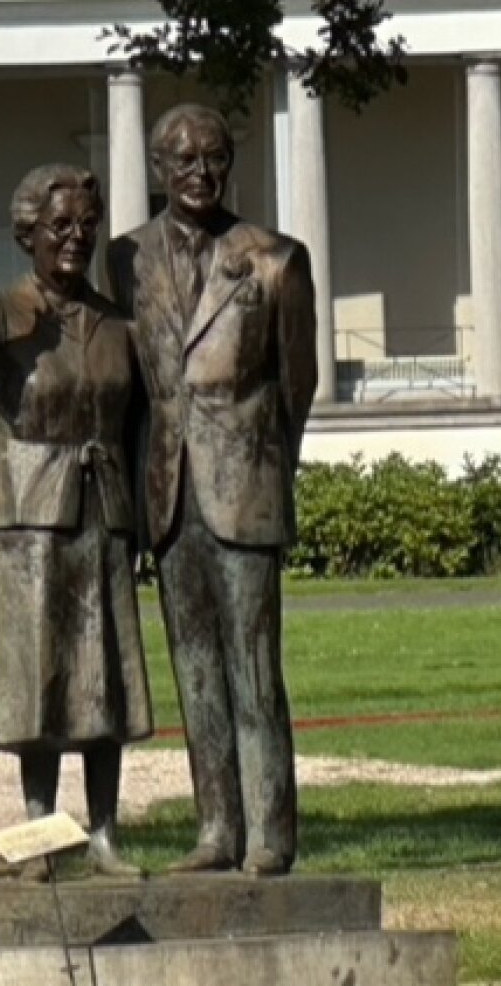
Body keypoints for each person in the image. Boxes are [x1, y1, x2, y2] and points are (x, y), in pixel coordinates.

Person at [107, 103, 318, 878]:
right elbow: (131, 388)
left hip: (245, 483)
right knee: (194, 666)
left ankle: (270, 832)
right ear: (159, 169)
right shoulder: (123, 259)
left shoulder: (275, 260)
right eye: (183, 161)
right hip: (167, 488)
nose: (200, 174)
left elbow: (299, 384)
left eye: (214, 158)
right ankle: (216, 828)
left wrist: (267, 466)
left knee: (254, 667)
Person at [0, 164, 152, 879]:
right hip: (30, 515)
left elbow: (138, 425)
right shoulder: (11, 310)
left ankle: (103, 836)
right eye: (59, 227)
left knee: (105, 679)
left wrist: (144, 522)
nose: (75, 238)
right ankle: (41, 835)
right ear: (29, 235)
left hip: (104, 511)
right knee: (39, 680)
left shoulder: (114, 320)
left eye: (85, 227)